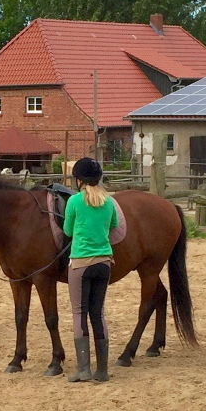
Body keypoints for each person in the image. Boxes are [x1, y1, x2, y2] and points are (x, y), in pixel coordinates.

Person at [63, 156, 118, 383]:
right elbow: (113, 227)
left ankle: (84, 369)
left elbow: (67, 230)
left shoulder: (74, 202)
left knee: (79, 314)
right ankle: (102, 371)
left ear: (79, 180)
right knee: (98, 314)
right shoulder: (109, 202)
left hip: (81, 264)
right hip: (104, 263)